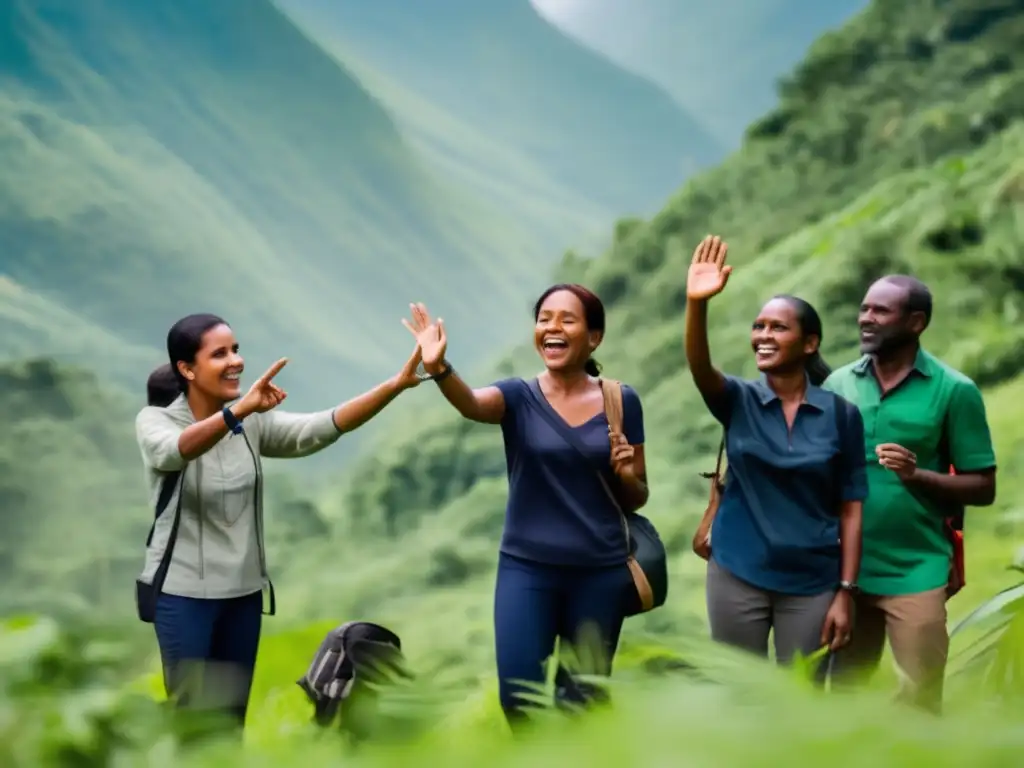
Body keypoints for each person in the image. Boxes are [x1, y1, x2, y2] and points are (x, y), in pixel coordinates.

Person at [135, 312, 426, 732]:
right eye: (220, 354)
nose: (236, 360)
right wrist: (239, 412)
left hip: (242, 596)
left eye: (235, 349)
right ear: (187, 369)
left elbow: (318, 428)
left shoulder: (250, 421)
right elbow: (173, 452)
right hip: (183, 598)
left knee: (232, 723)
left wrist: (395, 386)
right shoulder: (157, 421)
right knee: (192, 722)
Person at [400, 286, 648, 728]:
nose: (552, 327)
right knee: (519, 699)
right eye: (544, 318)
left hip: (600, 572)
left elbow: (637, 495)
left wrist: (626, 473)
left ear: (594, 337)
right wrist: (438, 368)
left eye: (566, 320)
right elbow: (473, 404)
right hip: (527, 569)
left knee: (583, 703)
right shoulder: (518, 396)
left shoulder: (620, 401)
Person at [683, 235, 866, 671]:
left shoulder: (841, 416)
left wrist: (845, 591)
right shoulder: (737, 399)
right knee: (741, 692)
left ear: (809, 344)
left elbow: (851, 510)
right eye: (759, 326)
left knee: (800, 699)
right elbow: (698, 364)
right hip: (736, 573)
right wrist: (697, 303)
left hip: (812, 582)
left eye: (778, 327)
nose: (763, 335)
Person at [823, 275, 997, 713]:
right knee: (843, 699)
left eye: (880, 311)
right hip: (846, 574)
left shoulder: (954, 390)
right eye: (864, 309)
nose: (866, 318)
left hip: (917, 572)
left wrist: (916, 475)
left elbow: (983, 486)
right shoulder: (837, 385)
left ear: (916, 322)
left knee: (920, 701)